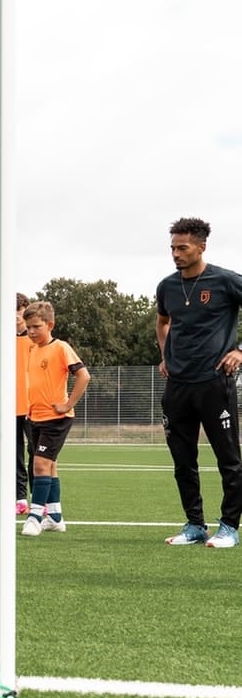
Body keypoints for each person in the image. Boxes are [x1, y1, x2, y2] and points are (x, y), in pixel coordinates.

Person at [157, 217, 242, 549]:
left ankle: (229, 527)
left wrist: (239, 351)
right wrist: (165, 355)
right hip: (177, 386)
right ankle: (194, 525)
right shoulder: (167, 286)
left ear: (201, 247)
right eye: (172, 248)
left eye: (183, 248)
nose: (176, 254)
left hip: (214, 383)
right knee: (183, 461)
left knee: (229, 461)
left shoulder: (225, 281)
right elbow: (162, 322)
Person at [19, 300, 90, 537]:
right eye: (28, 327)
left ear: (50, 325)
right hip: (35, 417)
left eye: (36, 327)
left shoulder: (60, 347)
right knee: (49, 466)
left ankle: (34, 518)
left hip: (56, 418)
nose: (31, 332)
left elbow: (83, 376)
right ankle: (55, 518)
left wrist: (68, 404)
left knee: (39, 464)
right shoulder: (32, 349)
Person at [15, 293, 34, 515]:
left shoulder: (35, 339)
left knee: (35, 453)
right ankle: (20, 498)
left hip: (33, 406)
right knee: (15, 455)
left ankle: (38, 498)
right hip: (9, 407)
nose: (15, 315)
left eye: (18, 310)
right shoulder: (1, 340)